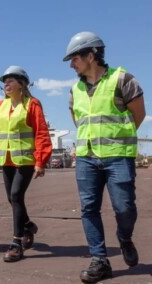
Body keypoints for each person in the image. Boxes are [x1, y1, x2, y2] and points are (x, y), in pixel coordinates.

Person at [63, 31, 146, 283]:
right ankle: (100, 259)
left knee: (125, 208)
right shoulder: (75, 89)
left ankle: (124, 238)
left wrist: (117, 139)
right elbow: (78, 120)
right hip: (87, 158)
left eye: (75, 58)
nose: (71, 64)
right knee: (89, 208)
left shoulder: (123, 80)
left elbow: (138, 115)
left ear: (91, 55)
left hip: (118, 156)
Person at [0, 66, 52, 262]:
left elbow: (41, 133)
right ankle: (28, 226)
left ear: (22, 84)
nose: (6, 84)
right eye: (4, 81)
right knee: (12, 198)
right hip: (6, 159)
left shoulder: (32, 104)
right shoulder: (1, 106)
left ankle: (16, 243)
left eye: (11, 81)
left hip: (26, 159)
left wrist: (41, 161)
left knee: (16, 195)